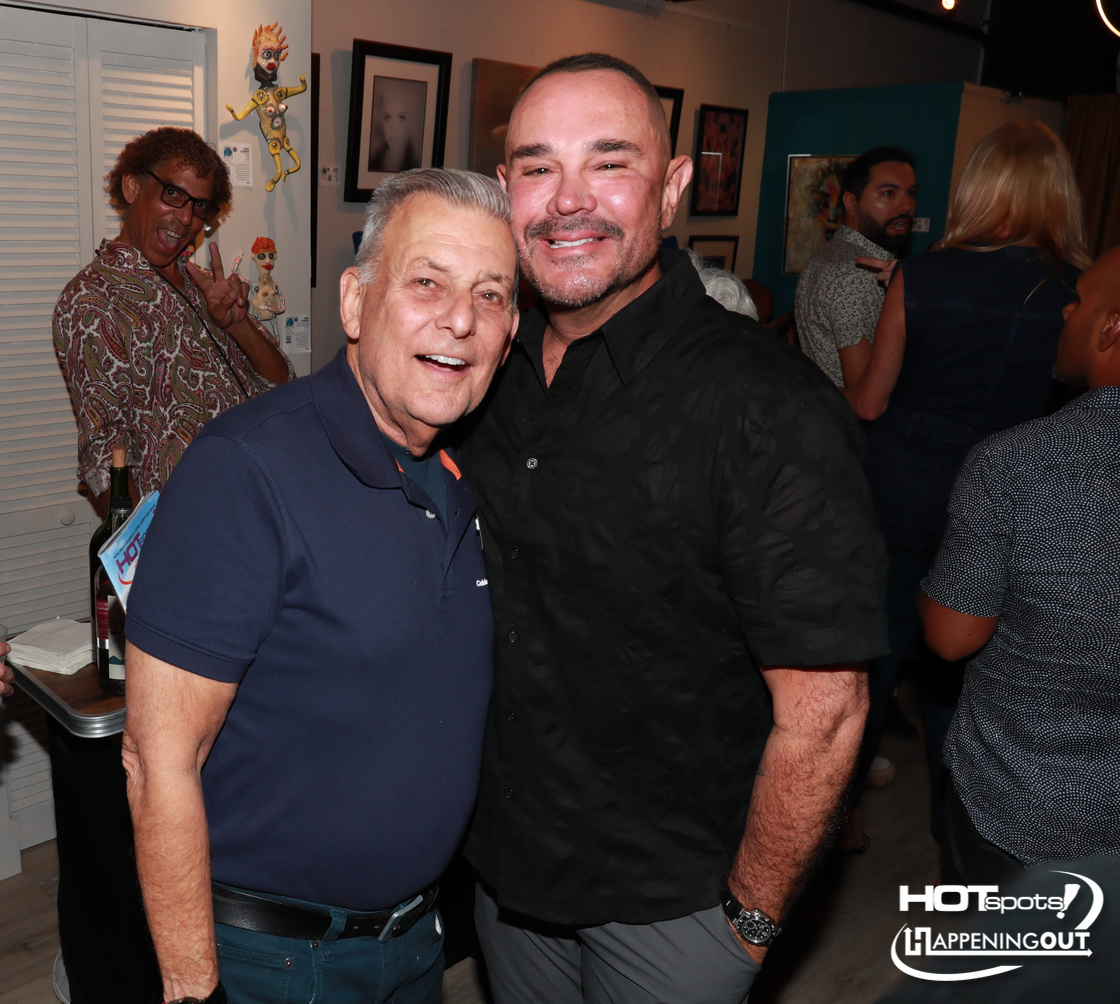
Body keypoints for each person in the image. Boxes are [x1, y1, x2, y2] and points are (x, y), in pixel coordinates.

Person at [460, 53, 888, 1004]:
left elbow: (825, 713)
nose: (568, 200)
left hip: (675, 909)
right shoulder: (482, 372)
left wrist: (750, 920)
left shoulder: (764, 406)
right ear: (506, 193)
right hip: (509, 876)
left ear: (674, 187)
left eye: (608, 162)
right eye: (537, 167)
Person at [121, 168, 520, 1004]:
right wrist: (195, 992)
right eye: (427, 283)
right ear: (353, 302)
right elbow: (158, 762)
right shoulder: (247, 470)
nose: (460, 319)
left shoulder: (470, 465)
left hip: (419, 942)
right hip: (276, 963)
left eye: (491, 295)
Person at [842, 119, 1091, 841]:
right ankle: (965, 834)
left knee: (873, 659)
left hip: (900, 485)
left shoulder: (923, 276)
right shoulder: (1073, 295)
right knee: (965, 668)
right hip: (1006, 498)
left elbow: (870, 401)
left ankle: (837, 817)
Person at [918, 244, 1120, 886]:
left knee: (1001, 980)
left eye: (1081, 298)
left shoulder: (1022, 465)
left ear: (1111, 328)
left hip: (1029, 805)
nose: (1065, 309)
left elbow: (951, 637)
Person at [54, 126, 293, 517]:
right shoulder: (93, 298)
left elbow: (280, 383)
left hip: (263, 506)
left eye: (199, 206)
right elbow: (106, 456)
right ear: (133, 188)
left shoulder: (203, 284)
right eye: (173, 195)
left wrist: (237, 325)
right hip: (190, 531)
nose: (185, 218)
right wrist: (145, 559)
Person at [794, 147, 917, 387]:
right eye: (889, 193)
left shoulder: (833, 254)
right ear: (851, 203)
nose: (906, 206)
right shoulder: (857, 272)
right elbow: (865, 392)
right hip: (852, 422)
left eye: (911, 193)